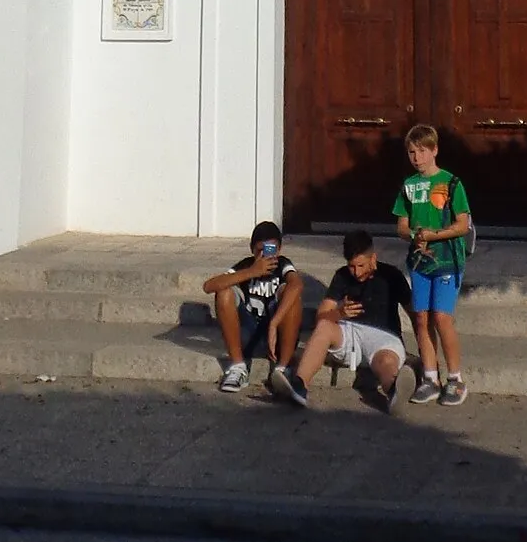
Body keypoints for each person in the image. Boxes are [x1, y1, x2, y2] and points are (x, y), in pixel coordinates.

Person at [272, 227, 411, 412]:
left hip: (383, 338)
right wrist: (339, 313)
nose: (356, 272)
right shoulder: (342, 276)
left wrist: (427, 359)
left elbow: (415, 314)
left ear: (373, 258)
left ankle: (394, 391)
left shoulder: (391, 276)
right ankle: (299, 385)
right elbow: (321, 315)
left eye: (361, 266)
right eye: (352, 266)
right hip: (348, 333)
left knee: (385, 363)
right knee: (323, 327)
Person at [392, 123, 473, 406]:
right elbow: (401, 224)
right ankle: (429, 376)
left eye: (422, 151)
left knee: (442, 317)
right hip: (419, 262)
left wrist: (434, 235)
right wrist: (414, 235)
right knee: (421, 317)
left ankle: (455, 378)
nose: (417, 158)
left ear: (434, 150)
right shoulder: (409, 186)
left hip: (447, 260)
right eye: (412, 152)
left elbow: (462, 224)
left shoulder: (452, 183)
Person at [202, 222, 303, 391]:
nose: (265, 256)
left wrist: (274, 324)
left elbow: (297, 285)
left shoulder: (283, 264)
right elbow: (209, 286)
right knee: (224, 292)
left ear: (279, 249)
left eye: (271, 250)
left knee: (291, 295)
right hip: (248, 332)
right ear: (251, 249)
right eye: (259, 251)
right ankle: (238, 366)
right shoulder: (247, 265)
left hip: (277, 335)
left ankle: (282, 369)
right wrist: (252, 272)